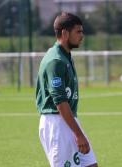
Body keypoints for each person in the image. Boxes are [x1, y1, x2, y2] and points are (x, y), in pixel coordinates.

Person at [35, 12, 98, 167]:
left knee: (91, 164)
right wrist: (78, 134)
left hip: (69, 121)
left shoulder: (65, 56)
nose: (82, 36)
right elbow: (60, 102)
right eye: (78, 31)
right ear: (64, 33)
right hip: (56, 123)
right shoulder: (55, 61)